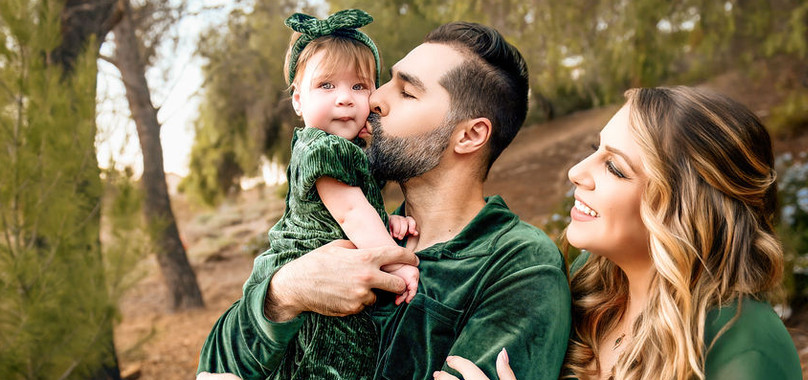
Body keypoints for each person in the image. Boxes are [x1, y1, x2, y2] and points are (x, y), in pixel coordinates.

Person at [197, 21, 571, 380]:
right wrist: (287, 291)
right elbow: (213, 365)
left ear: (470, 135)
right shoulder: (354, 231)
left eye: (406, 92)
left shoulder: (519, 265)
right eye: (385, 82)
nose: (373, 99)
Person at [439, 86, 802, 380]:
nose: (577, 172)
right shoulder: (584, 287)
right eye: (594, 150)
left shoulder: (745, 345)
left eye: (614, 167)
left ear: (682, 209)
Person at [197, 9, 420, 379]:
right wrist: (396, 262)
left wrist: (383, 219)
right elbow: (350, 213)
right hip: (308, 277)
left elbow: (357, 209)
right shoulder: (321, 149)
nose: (345, 98)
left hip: (324, 277)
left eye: (359, 86)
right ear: (298, 100)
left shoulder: (344, 151)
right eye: (327, 86)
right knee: (323, 362)